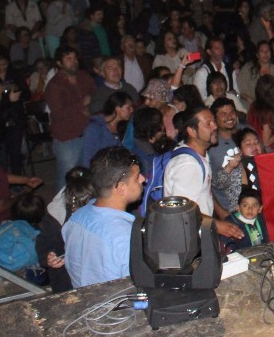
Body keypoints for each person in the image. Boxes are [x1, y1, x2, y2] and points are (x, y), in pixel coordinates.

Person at [63, 146, 144, 288]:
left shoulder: (75, 219)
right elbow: (136, 288)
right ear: (121, 188)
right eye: (137, 177)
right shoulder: (126, 238)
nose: (143, 179)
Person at [164, 107, 244, 242]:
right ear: (192, 131)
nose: (215, 126)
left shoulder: (199, 154)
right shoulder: (188, 165)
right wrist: (217, 225)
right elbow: (181, 210)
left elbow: (203, 191)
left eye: (214, 121)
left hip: (200, 229)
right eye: (208, 124)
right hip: (187, 238)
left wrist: (220, 213)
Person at [43, 46, 95, 189]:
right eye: (68, 58)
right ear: (59, 63)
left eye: (75, 58)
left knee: (88, 176)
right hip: (67, 138)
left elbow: (96, 96)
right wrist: (81, 106)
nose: (74, 62)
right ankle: (62, 210)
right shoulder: (54, 85)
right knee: (67, 179)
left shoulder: (84, 77)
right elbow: (58, 112)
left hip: (88, 132)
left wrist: (90, 109)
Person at [223, 187, 269, 252]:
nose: (250, 209)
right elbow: (228, 246)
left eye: (254, 206)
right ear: (238, 208)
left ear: (260, 209)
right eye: (245, 205)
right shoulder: (230, 224)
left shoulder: (262, 220)